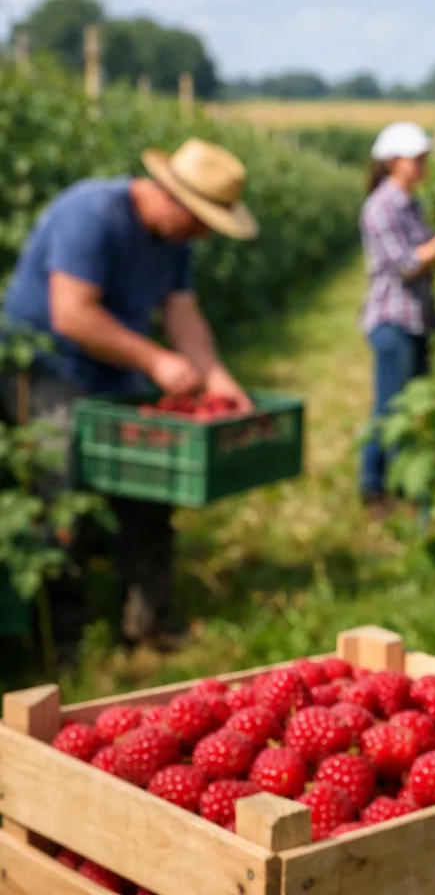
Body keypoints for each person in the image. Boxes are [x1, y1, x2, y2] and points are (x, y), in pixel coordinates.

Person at [0, 137, 257, 651]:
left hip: (115, 369)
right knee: (61, 493)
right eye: (201, 221)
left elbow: (182, 314)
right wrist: (156, 360)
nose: (203, 234)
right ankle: (63, 639)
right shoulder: (91, 213)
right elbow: (72, 314)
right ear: (173, 198)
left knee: (149, 480)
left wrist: (218, 380)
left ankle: (147, 620)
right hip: (47, 367)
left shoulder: (175, 241)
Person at [359, 121, 435, 508]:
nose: (423, 165)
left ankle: (399, 484)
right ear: (392, 161)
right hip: (393, 320)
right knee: (391, 409)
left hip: (417, 318)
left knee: (410, 406)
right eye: (416, 159)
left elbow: (425, 251)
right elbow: (407, 264)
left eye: (424, 158)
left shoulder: (410, 203)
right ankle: (374, 486)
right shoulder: (380, 207)